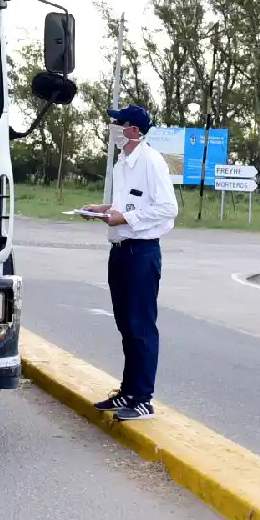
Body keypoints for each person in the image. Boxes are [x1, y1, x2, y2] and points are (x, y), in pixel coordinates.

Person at [81, 104, 179, 421]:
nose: (113, 128)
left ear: (134, 130)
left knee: (141, 327)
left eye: (118, 123)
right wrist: (104, 208)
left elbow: (167, 208)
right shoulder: (123, 162)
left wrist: (127, 217)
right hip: (120, 250)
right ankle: (128, 391)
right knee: (126, 325)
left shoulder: (151, 162)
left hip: (142, 252)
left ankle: (143, 399)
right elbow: (127, 204)